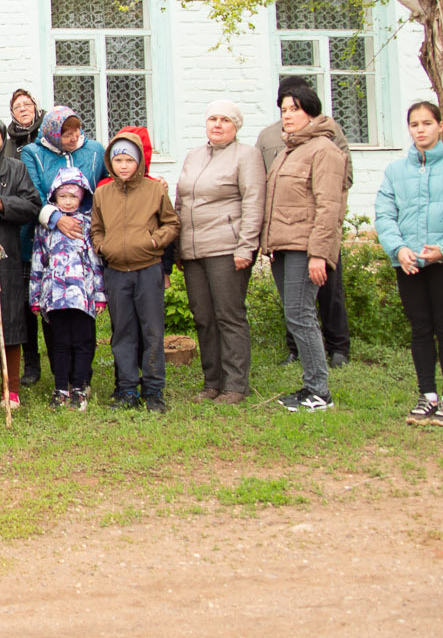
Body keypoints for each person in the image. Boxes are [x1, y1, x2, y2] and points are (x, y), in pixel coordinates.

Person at [376, 100, 443, 428]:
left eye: (427, 123)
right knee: (420, 328)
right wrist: (398, 249)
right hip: (408, 263)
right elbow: (385, 215)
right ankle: (427, 395)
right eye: (414, 124)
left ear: (440, 125)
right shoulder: (395, 172)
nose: (420, 130)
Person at [261, 84, 349, 413]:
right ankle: (312, 385)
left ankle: (319, 391)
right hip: (283, 247)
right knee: (295, 315)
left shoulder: (325, 150)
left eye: (294, 109)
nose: (287, 115)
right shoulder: (289, 150)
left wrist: (319, 254)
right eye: (284, 110)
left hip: (305, 248)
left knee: (301, 316)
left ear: (311, 112)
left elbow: (329, 207)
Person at [175, 100, 266, 404]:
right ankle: (212, 383)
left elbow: (254, 201)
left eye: (225, 120)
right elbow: (181, 201)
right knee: (204, 317)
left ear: (235, 126)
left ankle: (235, 385)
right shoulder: (194, 155)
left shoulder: (247, 155)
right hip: (193, 251)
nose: (217, 124)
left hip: (227, 248)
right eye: (212, 118)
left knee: (229, 316)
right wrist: (178, 247)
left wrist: (246, 246)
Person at [92, 127, 180, 412]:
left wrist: (154, 241)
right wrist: (103, 246)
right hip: (116, 272)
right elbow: (96, 228)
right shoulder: (102, 193)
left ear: (139, 161)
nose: (124, 165)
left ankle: (153, 390)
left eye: (129, 160)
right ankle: (127, 388)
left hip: (147, 269)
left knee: (152, 331)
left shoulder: (155, 190)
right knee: (123, 332)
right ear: (110, 162)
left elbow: (171, 223)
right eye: (118, 160)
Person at [0, 117, 40, 407]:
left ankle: (10, 388)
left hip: (7, 255)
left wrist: (1, 203)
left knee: (10, 320)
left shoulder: (16, 169)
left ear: (3, 142)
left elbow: (32, 205)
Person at [30, 167, 103, 411]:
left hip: (82, 296)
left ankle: (79, 387)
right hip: (55, 296)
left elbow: (96, 263)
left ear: (82, 197)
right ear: (55, 197)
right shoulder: (46, 227)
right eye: (63, 196)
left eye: (73, 196)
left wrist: (100, 295)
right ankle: (60, 387)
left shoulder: (88, 225)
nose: (68, 201)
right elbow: (38, 261)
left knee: (83, 341)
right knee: (59, 343)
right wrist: (35, 296)